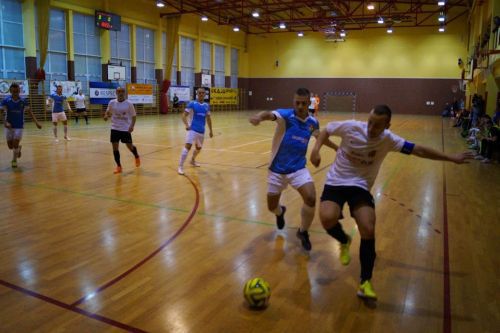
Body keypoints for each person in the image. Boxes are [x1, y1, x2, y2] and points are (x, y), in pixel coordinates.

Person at [310, 104, 473, 299]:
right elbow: (326, 131)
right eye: (370, 122)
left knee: (368, 228)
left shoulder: (389, 140)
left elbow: (418, 150)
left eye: (377, 126)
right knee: (327, 219)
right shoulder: (351, 127)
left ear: (387, 126)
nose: (371, 129)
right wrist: (316, 150)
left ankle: (365, 282)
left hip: (360, 186)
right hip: (336, 181)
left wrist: (451, 157)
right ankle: (344, 240)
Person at [249, 88, 338, 251]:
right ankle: (279, 212)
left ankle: (303, 232)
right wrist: (259, 117)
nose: (300, 106)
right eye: (297, 102)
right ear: (293, 101)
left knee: (311, 197)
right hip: (276, 170)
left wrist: (336, 148)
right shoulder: (285, 116)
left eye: (303, 103)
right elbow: (269, 114)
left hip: (298, 169)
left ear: (308, 103)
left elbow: (320, 137)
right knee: (271, 207)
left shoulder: (312, 122)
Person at [1, 83, 42, 168]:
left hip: (19, 126)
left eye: (17, 91)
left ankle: (14, 160)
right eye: (13, 91)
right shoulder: (6, 100)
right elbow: (0, 113)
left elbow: (29, 112)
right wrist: (5, 123)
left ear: (19, 91)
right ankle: (18, 148)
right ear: (10, 91)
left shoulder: (23, 101)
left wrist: (36, 122)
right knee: (10, 146)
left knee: (15, 144)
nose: (15, 93)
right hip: (9, 126)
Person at [103, 87, 140, 174]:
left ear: (125, 93)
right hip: (114, 128)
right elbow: (108, 112)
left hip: (125, 129)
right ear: (116, 92)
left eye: (122, 91)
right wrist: (106, 116)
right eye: (119, 91)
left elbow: (134, 116)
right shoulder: (112, 102)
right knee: (115, 148)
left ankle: (136, 155)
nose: (120, 93)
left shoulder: (129, 104)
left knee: (129, 147)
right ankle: (119, 166)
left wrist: (132, 126)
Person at [177, 87, 213, 175]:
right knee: (187, 147)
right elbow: (183, 115)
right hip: (192, 130)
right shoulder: (192, 104)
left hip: (201, 131)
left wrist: (211, 130)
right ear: (197, 94)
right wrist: (187, 125)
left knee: (198, 148)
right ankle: (180, 167)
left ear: (205, 94)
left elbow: (208, 119)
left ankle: (192, 160)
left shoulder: (206, 106)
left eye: (202, 93)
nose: (201, 94)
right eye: (199, 93)